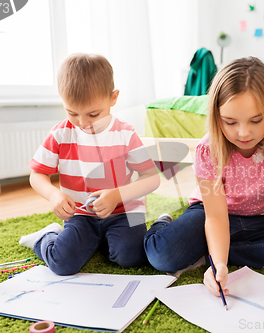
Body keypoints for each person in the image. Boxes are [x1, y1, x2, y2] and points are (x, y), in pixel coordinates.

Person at [144, 57, 264, 296]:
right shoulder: (208, 149)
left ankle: (207, 251)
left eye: (256, 120)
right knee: (163, 254)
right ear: (217, 116)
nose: (244, 133)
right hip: (209, 213)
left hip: (257, 220)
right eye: (230, 122)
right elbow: (215, 217)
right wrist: (220, 264)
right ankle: (169, 226)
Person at [19, 53, 160, 275]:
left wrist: (116, 196)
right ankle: (45, 236)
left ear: (113, 98)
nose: (83, 123)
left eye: (93, 114)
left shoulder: (125, 134)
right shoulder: (60, 133)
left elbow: (151, 178)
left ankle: (117, 237)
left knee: (131, 256)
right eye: (72, 113)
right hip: (81, 215)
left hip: (123, 212)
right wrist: (53, 195)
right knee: (62, 263)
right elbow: (37, 175)